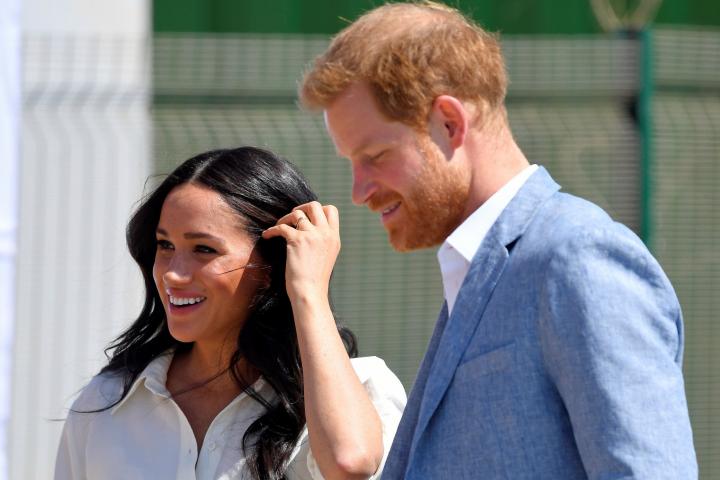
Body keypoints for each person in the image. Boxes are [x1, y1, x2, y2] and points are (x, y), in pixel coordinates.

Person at [299, 2, 697, 478]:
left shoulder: (578, 258)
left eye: (376, 155)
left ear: (449, 122)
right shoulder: (482, 269)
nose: (359, 191)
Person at [54, 147, 406, 480]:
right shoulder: (107, 402)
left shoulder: (362, 393)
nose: (173, 274)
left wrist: (308, 290)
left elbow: (350, 463)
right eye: (165, 245)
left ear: (273, 264)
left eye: (203, 249)